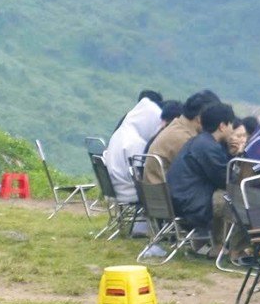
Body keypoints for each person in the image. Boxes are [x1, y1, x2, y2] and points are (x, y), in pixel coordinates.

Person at [165, 101, 240, 248]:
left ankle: (214, 244)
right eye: (231, 125)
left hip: (179, 199)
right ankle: (223, 247)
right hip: (190, 204)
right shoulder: (208, 147)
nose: (232, 130)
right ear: (222, 126)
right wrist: (236, 156)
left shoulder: (199, 141)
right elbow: (225, 180)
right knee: (233, 200)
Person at [103, 95, 164, 204]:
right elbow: (144, 174)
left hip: (116, 188)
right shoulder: (135, 143)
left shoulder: (121, 133)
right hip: (129, 193)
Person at [145, 90, 216, 177]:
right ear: (200, 118)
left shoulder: (177, 126)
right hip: (169, 189)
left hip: (160, 186)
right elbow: (205, 170)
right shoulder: (183, 138)